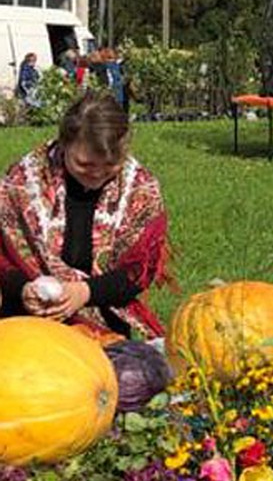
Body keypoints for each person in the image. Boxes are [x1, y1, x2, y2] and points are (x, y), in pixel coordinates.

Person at [0, 92, 171, 340]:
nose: (98, 174)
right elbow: (3, 257)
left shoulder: (141, 191)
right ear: (64, 144)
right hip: (26, 321)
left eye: (111, 165)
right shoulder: (23, 182)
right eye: (85, 165)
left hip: (102, 331)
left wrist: (84, 292)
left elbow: (138, 273)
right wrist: (22, 288)